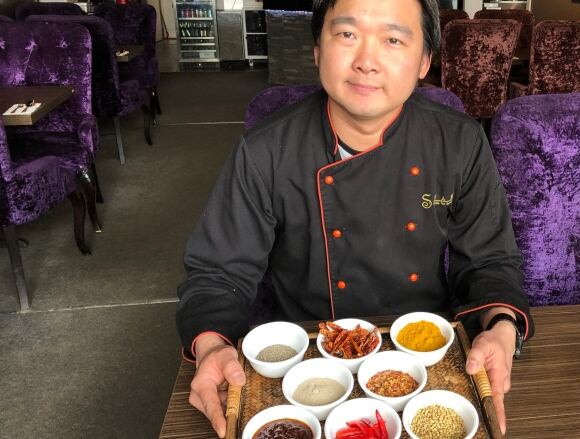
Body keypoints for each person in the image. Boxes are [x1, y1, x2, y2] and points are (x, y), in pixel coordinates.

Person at [176, 0, 534, 437]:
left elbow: (490, 260)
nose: (366, 61)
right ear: (316, 50)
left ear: (424, 61)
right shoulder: (264, 150)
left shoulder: (459, 142)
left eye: (393, 40)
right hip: (308, 360)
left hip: (425, 361)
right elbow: (216, 272)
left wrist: (501, 326)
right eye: (347, 34)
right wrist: (212, 344)